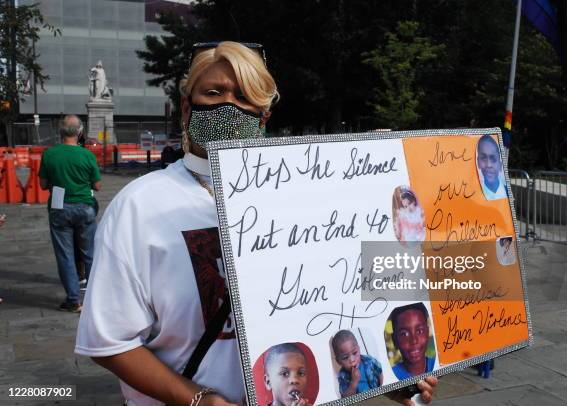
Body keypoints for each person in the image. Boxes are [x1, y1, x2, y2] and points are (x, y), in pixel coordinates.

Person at [75, 41, 436, 406]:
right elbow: (109, 342)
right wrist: (199, 401)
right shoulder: (140, 205)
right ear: (187, 107)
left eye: (245, 96)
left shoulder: (306, 195)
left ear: (263, 115)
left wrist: (386, 377)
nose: (228, 105)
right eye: (213, 92)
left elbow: (333, 304)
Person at [39, 115, 101, 313]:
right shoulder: (87, 156)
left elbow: (43, 184)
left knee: (65, 255)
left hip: (59, 208)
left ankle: (73, 300)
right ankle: (95, 297)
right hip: (84, 207)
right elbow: (97, 185)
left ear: (60, 132)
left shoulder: (49, 154)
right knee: (90, 253)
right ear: (80, 132)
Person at [390, 303, 436, 380]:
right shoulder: (391, 376)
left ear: (427, 333)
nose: (414, 341)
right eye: (404, 334)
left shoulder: (438, 365)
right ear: (395, 340)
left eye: (419, 331)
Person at [331, 330, 382, 397]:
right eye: (345, 357)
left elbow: (381, 373)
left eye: (355, 353)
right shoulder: (342, 376)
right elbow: (346, 398)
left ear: (359, 349)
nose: (352, 360)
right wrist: (354, 382)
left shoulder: (369, 361)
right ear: (338, 361)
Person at [476, 135, 507, 200]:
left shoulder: (507, 192)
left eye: (493, 159)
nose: (488, 165)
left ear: (500, 165)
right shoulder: (475, 195)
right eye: (483, 158)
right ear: (478, 162)